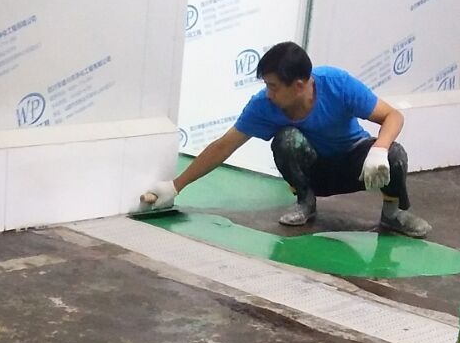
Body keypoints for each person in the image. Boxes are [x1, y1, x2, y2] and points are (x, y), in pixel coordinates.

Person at [141, 40, 430, 235]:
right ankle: (305, 202)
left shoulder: (337, 84)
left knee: (395, 154)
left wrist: (379, 149)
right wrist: (175, 187)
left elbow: (393, 116)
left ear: (300, 85)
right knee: (286, 139)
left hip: (356, 167)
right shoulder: (263, 106)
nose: (269, 93)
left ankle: (392, 215)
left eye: (274, 86)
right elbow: (223, 146)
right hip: (316, 172)